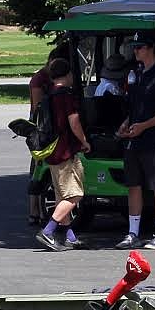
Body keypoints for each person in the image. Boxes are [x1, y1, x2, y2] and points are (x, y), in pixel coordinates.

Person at [117, 32, 155, 251]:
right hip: (134, 140)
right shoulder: (137, 74)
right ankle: (133, 232)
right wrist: (127, 123)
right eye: (134, 48)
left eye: (140, 47)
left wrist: (144, 126)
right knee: (133, 185)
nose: (136, 51)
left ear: (151, 48)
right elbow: (135, 108)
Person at [35, 58, 90, 252]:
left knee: (61, 196)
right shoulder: (66, 96)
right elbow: (74, 122)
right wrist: (84, 141)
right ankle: (48, 231)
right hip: (66, 151)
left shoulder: (49, 95)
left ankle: (69, 236)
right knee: (74, 195)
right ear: (68, 75)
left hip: (52, 151)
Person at [26, 44, 70, 225]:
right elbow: (38, 109)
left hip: (54, 128)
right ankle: (34, 210)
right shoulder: (40, 79)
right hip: (42, 130)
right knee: (38, 170)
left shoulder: (53, 78)